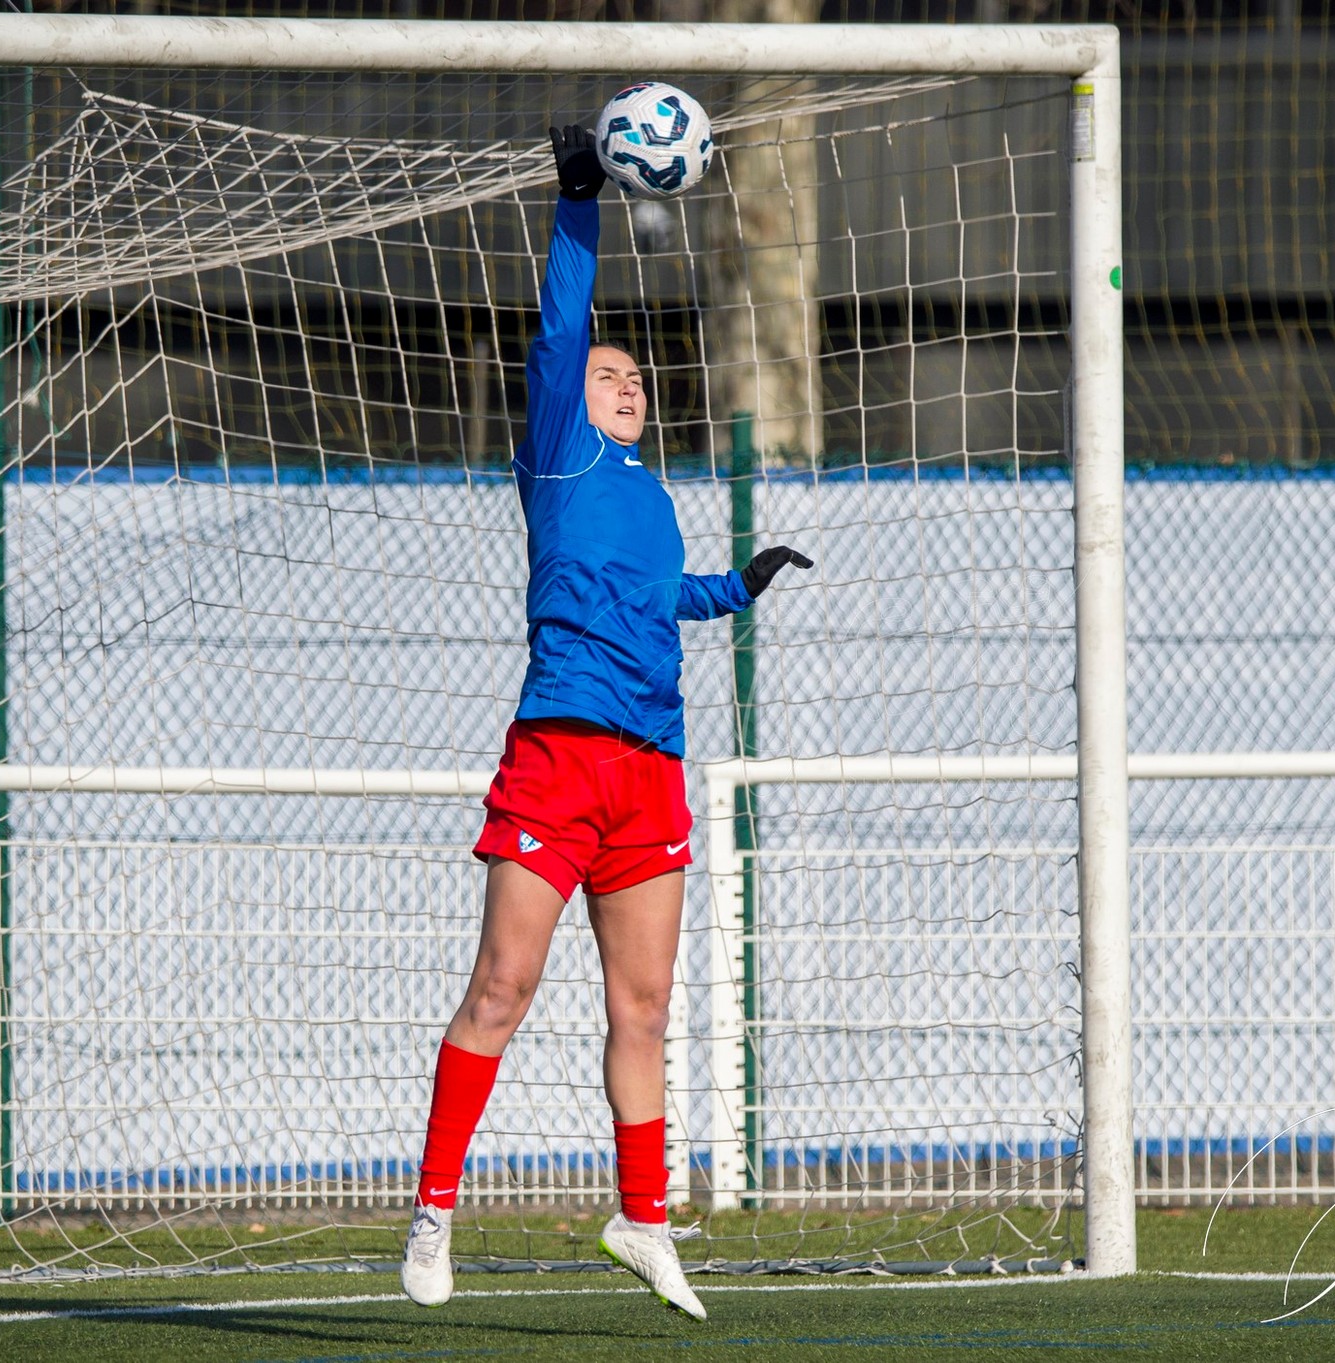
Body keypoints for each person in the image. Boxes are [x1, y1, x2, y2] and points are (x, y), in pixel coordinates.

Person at [399, 124, 811, 1322]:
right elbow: (564, 324)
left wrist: (735, 586)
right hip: (559, 753)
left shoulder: (650, 493)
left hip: (651, 771)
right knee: (503, 987)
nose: (626, 383)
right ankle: (433, 1211)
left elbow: (656, 598)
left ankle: (642, 1219)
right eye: (608, 373)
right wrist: (577, 198)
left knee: (642, 1009)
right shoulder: (563, 452)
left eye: (638, 378)